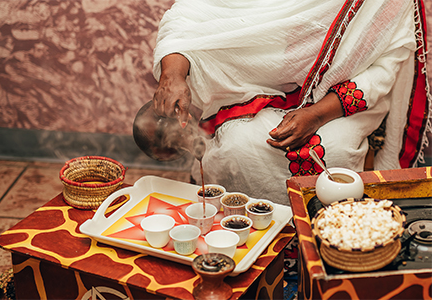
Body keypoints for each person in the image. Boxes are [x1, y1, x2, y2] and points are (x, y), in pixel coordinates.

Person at [149, 0, 430, 205]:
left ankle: (326, 244)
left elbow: (385, 67)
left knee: (335, 150)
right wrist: (173, 73)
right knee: (238, 147)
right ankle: (243, 239)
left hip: (339, 97)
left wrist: (318, 114)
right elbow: (193, 11)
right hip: (262, 84)